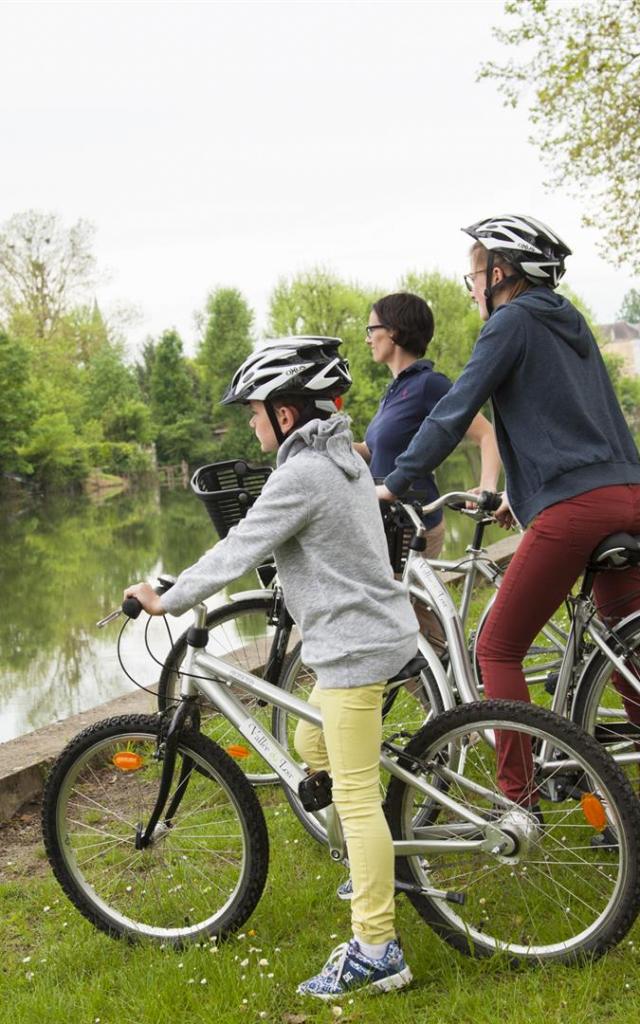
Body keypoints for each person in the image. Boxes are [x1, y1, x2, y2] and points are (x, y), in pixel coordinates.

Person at [125, 336, 418, 999]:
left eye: (255, 410)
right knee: (312, 741)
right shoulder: (339, 457)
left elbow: (240, 547)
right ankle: (374, 865)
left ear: (286, 414)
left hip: (352, 652)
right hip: (385, 635)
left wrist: (165, 597)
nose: (250, 422)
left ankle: (377, 947)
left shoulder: (301, 475)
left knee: (353, 795)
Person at [376, 214, 640, 803]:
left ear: (500, 273)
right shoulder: (568, 318)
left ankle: (516, 798)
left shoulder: (510, 322)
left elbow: (452, 413)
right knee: (626, 648)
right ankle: (620, 792)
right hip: (628, 494)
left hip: (577, 509)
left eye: (473, 274)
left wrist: (394, 483)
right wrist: (520, 500)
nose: (471, 288)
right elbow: (570, 420)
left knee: (496, 646)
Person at [354, 291, 501, 650]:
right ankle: (453, 693)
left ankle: (448, 696)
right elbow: (378, 453)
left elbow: (487, 435)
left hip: (414, 520)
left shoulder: (428, 385)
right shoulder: (396, 389)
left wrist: (486, 488)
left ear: (394, 332)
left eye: (371, 328)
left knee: (392, 627)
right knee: (413, 621)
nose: (367, 337)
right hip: (389, 519)